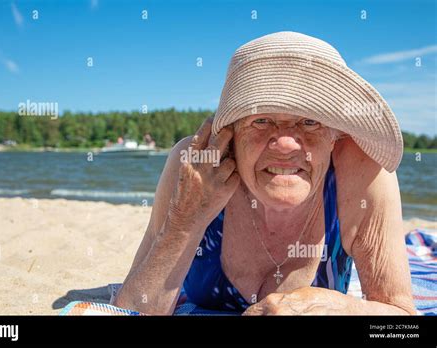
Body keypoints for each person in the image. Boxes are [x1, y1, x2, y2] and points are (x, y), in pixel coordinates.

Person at [113, 32, 416, 315]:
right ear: (230, 132)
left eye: (310, 121)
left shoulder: (361, 172)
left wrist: (336, 306)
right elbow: (130, 309)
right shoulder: (196, 166)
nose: (285, 143)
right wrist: (184, 221)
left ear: (336, 135)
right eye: (262, 120)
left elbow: (400, 323)